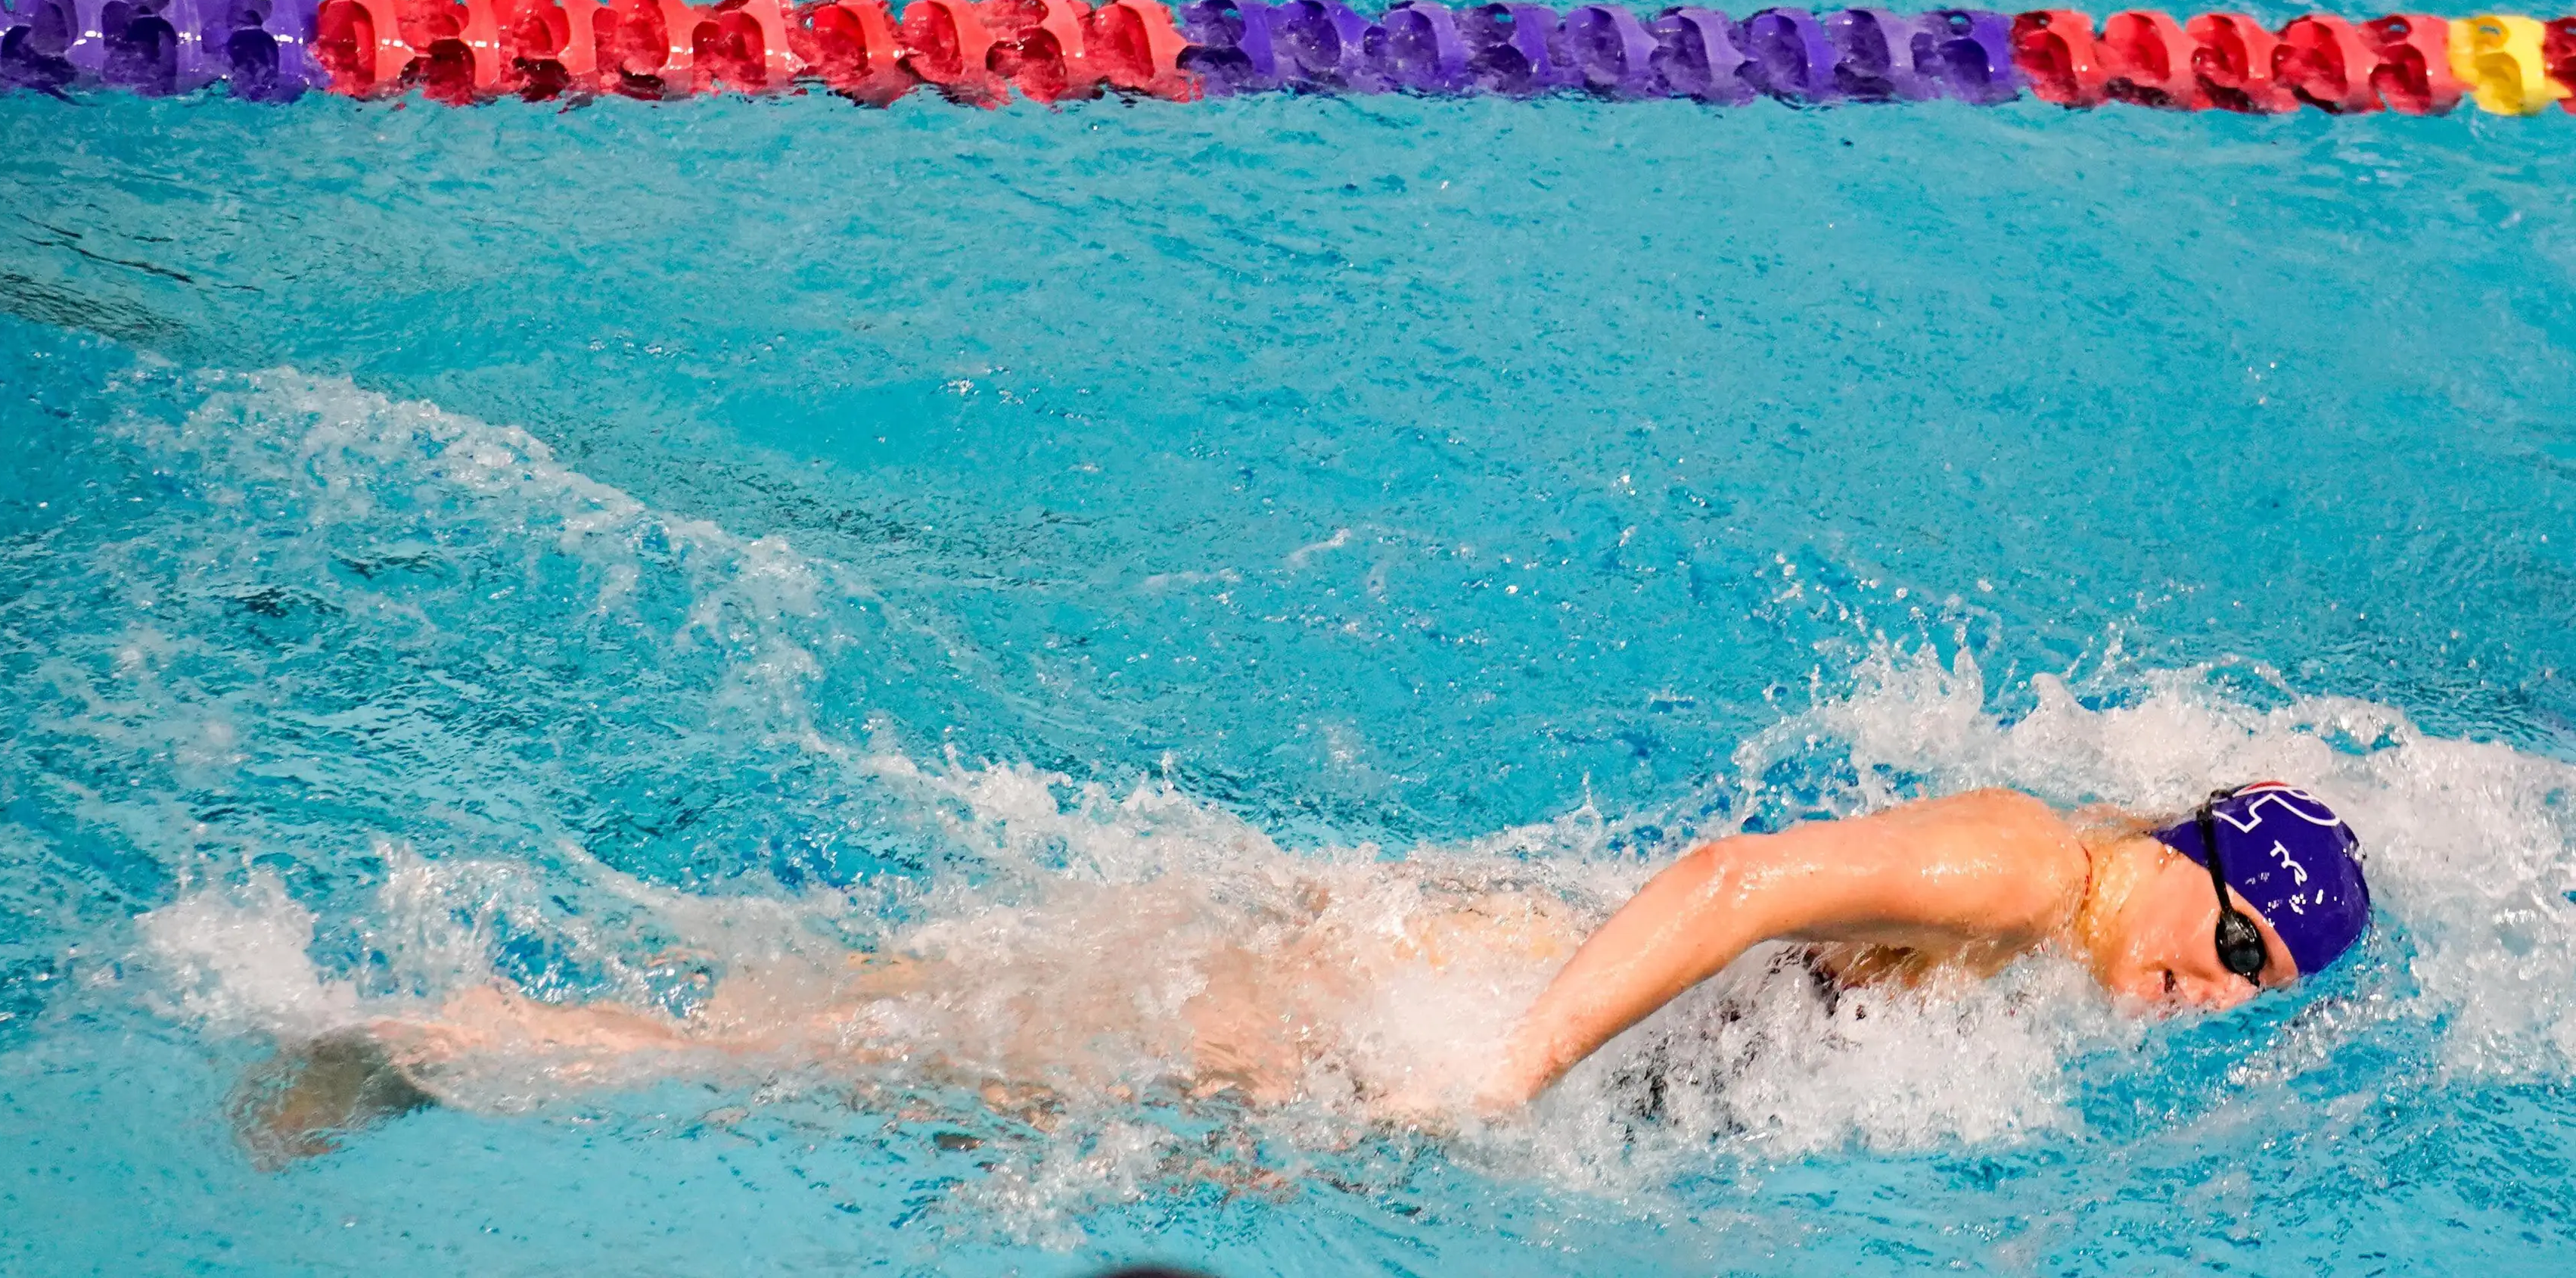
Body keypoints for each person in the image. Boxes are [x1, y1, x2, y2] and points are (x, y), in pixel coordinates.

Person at [231, 779, 2371, 1162]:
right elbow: (1729, 884)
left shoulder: (2086, 907)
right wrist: (1521, 1069)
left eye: (2269, 983)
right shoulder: (2021, 869)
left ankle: (468, 1046)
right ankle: (429, 1043)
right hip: (1415, 1011)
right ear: (2192, 861)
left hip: (1436, 1018)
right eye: (2245, 939)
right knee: (878, 1061)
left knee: (926, 1057)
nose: (2233, 989)